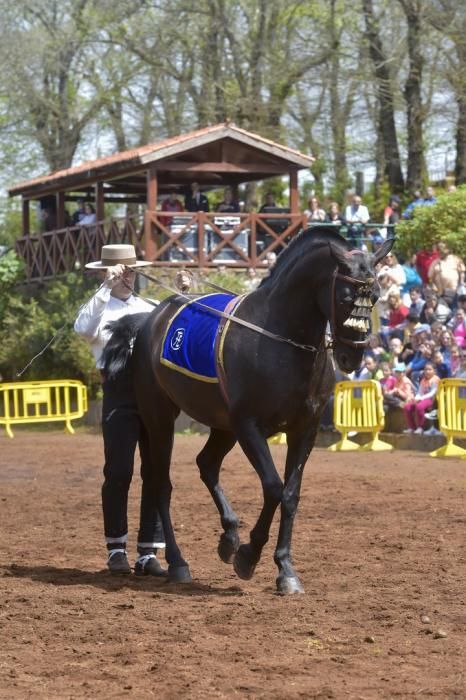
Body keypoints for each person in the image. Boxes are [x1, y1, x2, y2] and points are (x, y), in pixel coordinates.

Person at [74, 244, 166, 576]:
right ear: (106, 272)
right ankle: (116, 549)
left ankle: (148, 552)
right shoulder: (97, 307)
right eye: (120, 271)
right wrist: (104, 288)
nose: (127, 276)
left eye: (130, 270)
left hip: (154, 397)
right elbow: (83, 329)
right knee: (118, 472)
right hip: (118, 394)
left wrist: (183, 294)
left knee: (156, 472)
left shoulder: (151, 306)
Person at [403, 362, 440, 434]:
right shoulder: (423, 380)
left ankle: (421, 427)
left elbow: (432, 393)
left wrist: (421, 398)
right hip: (423, 398)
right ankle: (412, 427)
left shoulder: (436, 379)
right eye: (426, 370)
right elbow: (420, 392)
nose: (427, 371)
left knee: (419, 406)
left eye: (430, 369)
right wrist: (416, 398)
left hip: (431, 399)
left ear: (434, 371)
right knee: (407, 407)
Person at [428, 240, 465, 308]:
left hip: (454, 291)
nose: (440, 251)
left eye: (442, 249)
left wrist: (461, 282)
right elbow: (430, 277)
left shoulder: (456, 259)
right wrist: (432, 285)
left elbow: (462, 271)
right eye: (439, 249)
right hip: (440, 292)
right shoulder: (435, 262)